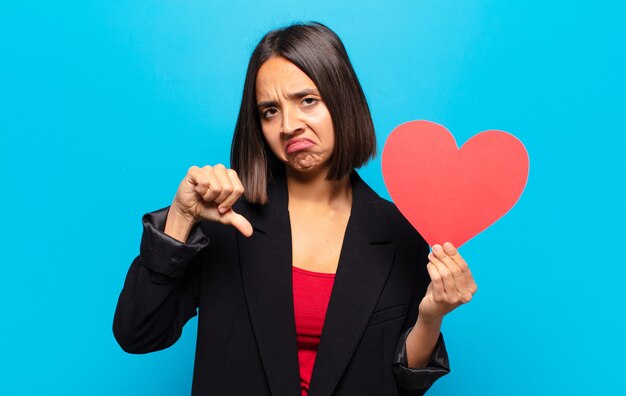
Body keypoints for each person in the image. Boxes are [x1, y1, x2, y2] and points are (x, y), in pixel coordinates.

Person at [113, 22, 477, 396]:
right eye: (270, 111)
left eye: (307, 101)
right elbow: (138, 334)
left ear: (342, 100)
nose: (288, 126)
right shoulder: (225, 219)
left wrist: (430, 315)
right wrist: (180, 220)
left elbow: (402, 380)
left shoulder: (401, 231)